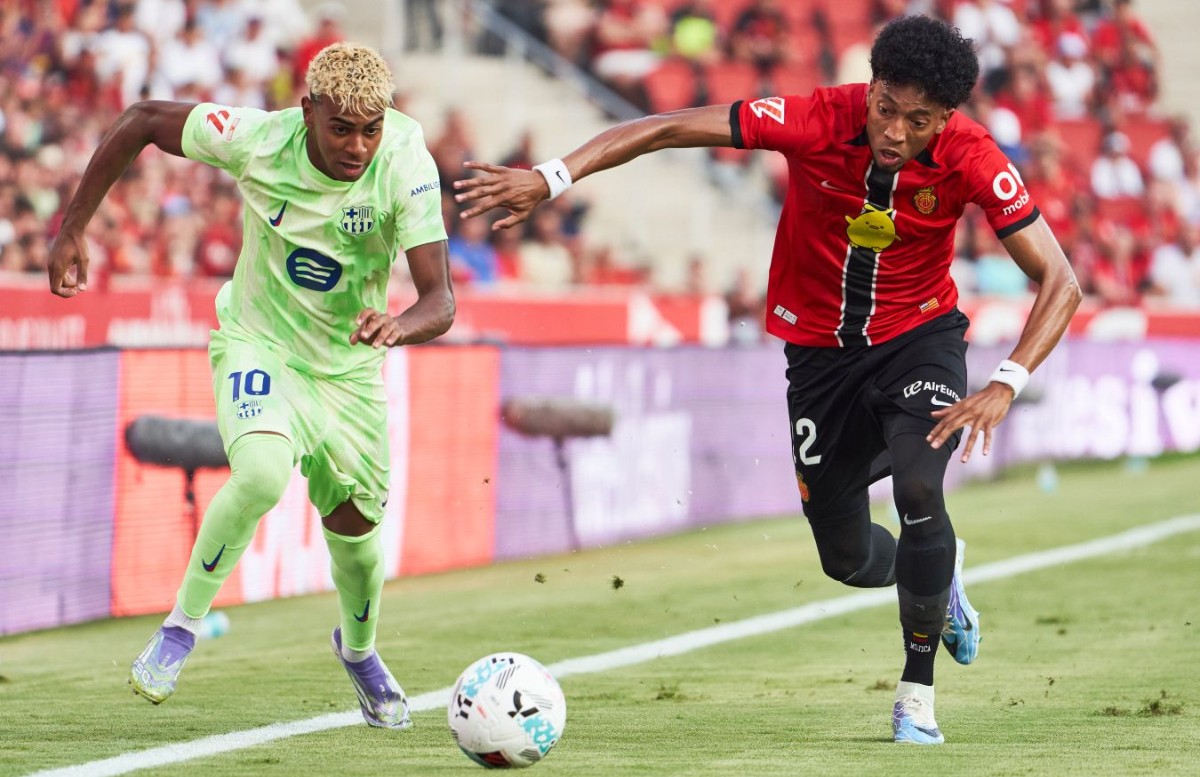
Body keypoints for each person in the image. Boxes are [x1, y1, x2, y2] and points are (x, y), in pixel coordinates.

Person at [454, 15, 1081, 744]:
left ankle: (916, 696)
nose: (894, 132)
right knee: (846, 558)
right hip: (818, 359)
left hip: (919, 340)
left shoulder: (973, 156)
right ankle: (938, 574)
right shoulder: (813, 119)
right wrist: (551, 176)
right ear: (870, 87)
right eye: (885, 108)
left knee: (919, 489)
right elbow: (664, 128)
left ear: (945, 118)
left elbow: (1060, 279)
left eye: (917, 121)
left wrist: (1005, 380)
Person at [47, 42, 454, 730]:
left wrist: (399, 325)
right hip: (258, 342)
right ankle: (179, 629)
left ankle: (359, 653)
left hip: (349, 370)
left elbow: (439, 300)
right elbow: (142, 119)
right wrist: (72, 227)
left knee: (357, 532)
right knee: (262, 472)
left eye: (371, 129)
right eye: (342, 128)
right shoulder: (257, 139)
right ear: (308, 112)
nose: (358, 146)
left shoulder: (406, 160)